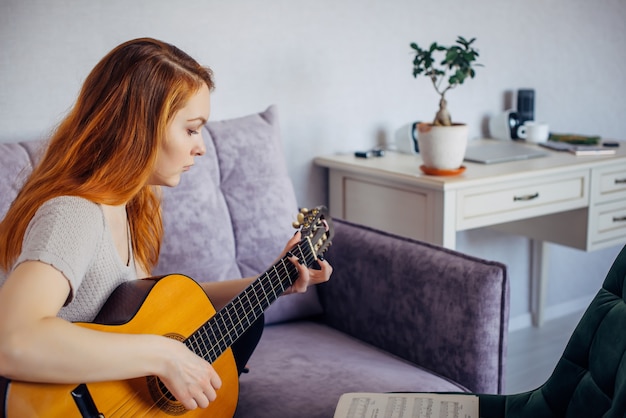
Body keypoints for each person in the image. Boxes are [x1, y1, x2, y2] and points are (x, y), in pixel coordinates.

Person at [0, 37, 332, 412]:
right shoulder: (75, 213)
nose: (202, 146)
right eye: (191, 129)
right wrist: (164, 355)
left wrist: (274, 281)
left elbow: (155, 309)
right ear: (137, 127)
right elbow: (13, 340)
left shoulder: (130, 206)